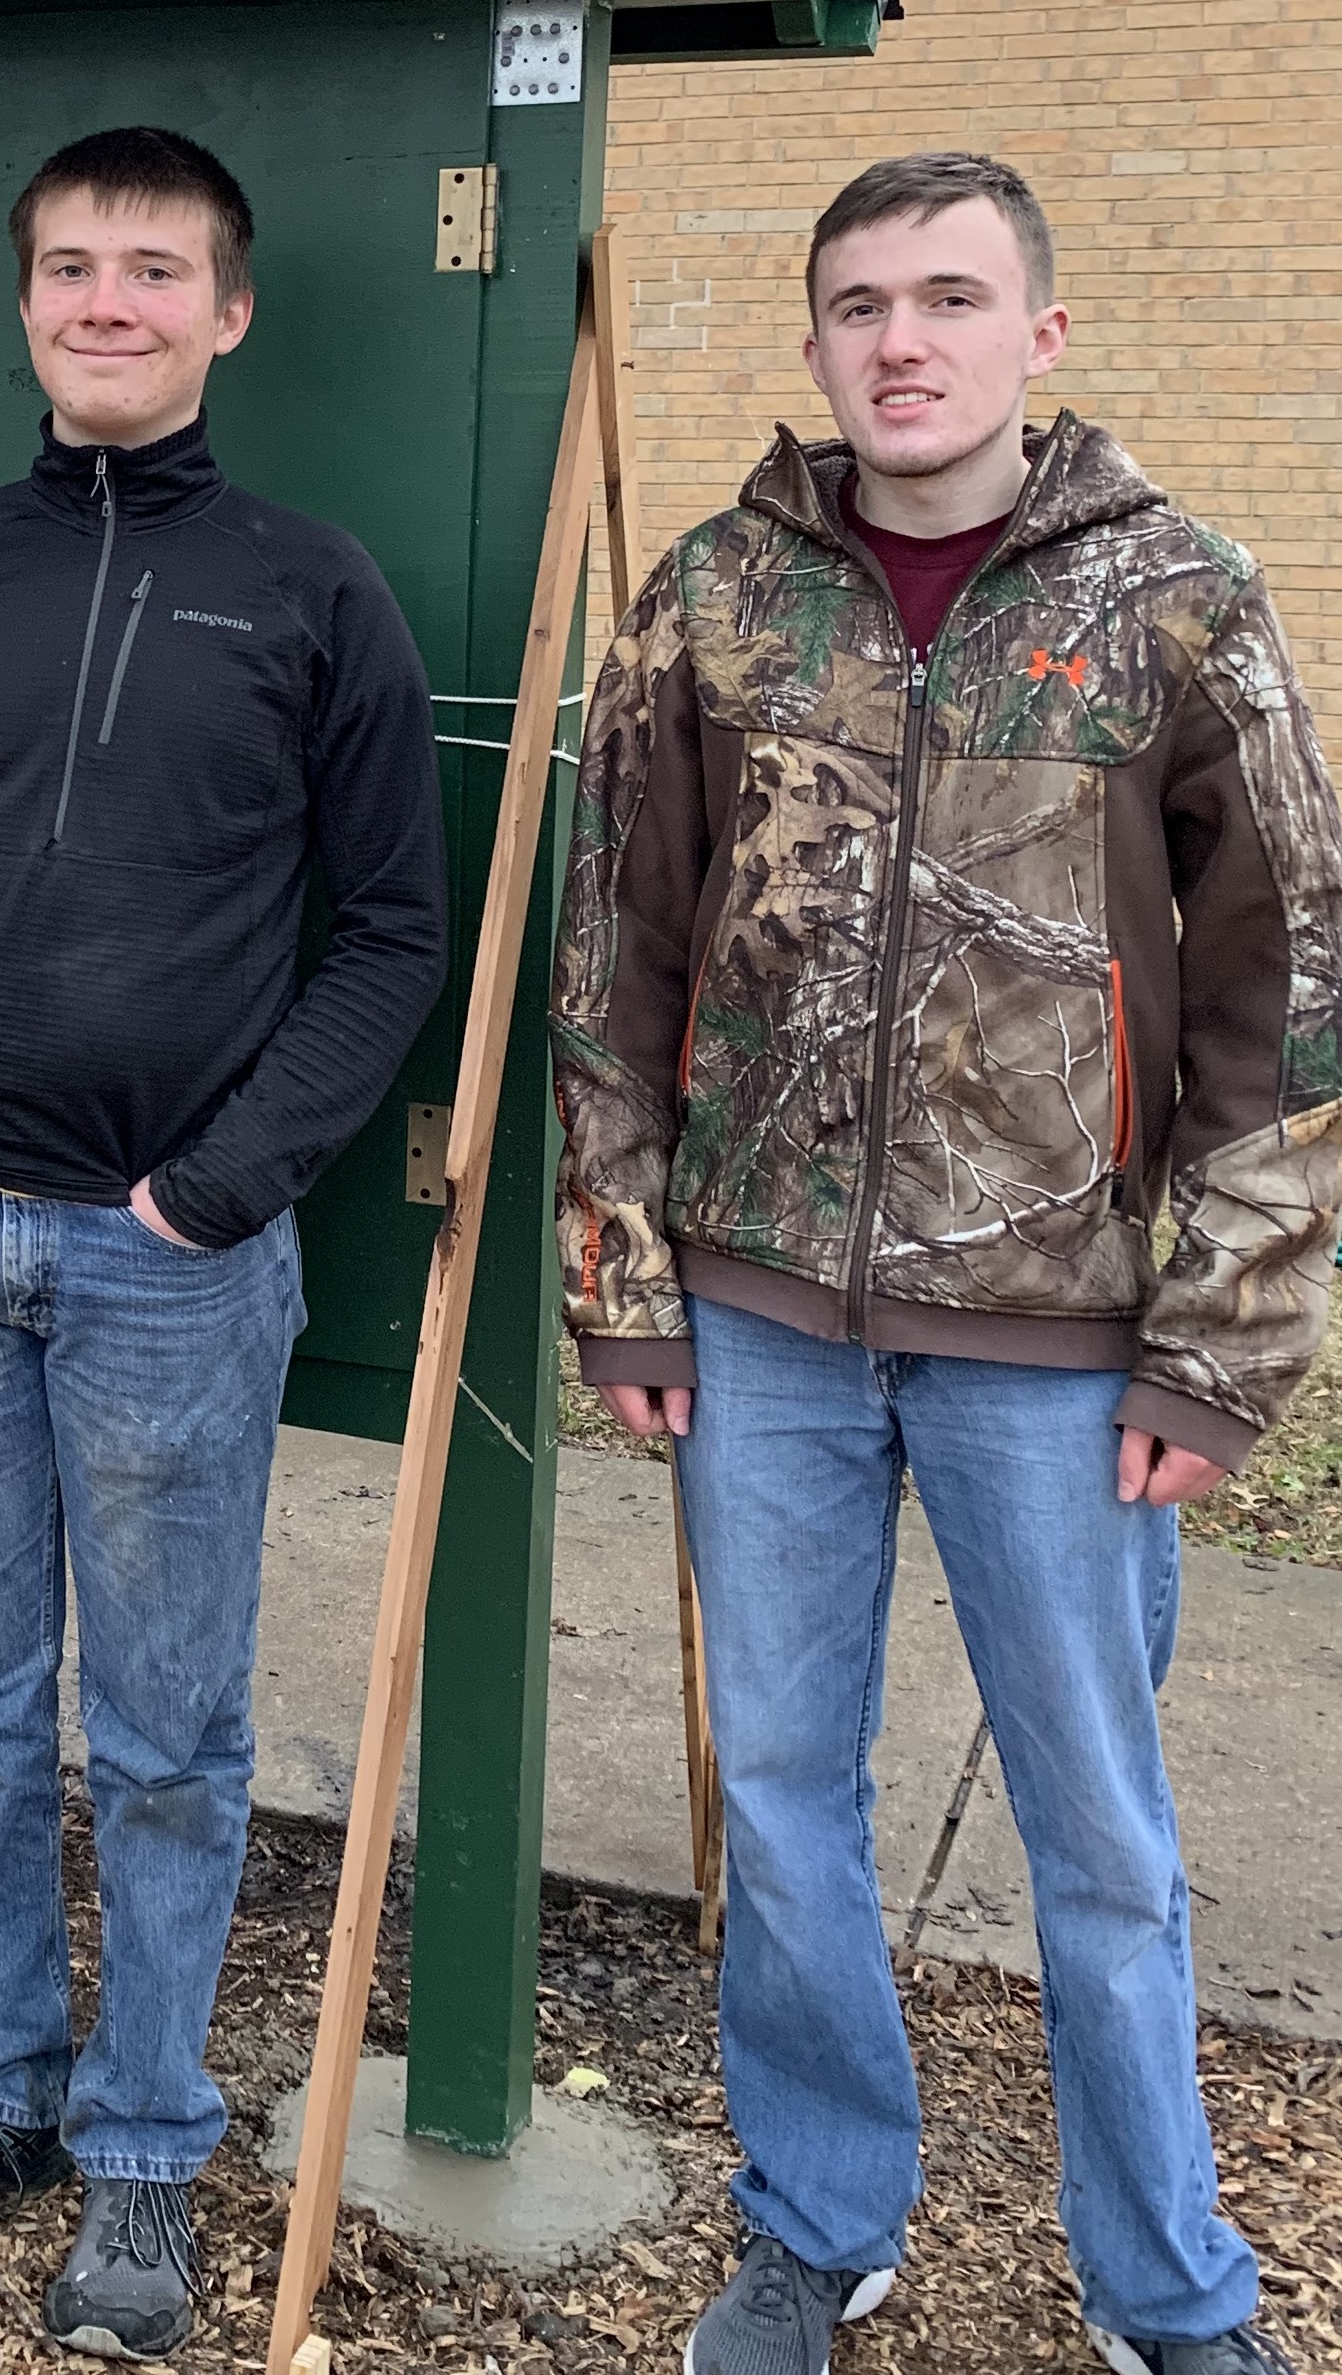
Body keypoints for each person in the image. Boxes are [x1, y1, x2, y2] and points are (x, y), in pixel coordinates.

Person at [554, 151, 1332, 2375]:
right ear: (811, 342)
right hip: (762, 1330)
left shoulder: (1175, 601)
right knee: (786, 1803)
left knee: (1096, 1843)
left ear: (1035, 335)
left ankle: (1164, 2287)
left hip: (1056, 1347)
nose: (900, 339)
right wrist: (623, 1275)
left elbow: (1289, 994)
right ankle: (817, 2221)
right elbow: (609, 959)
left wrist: (1215, 1344)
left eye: (947, 297)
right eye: (857, 302)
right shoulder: (713, 600)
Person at [0, 127, 448, 2360]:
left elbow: (389, 935)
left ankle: (148, 2145)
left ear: (226, 312)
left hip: (169, 1262)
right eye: (66, 265)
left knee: (163, 1732)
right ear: (24, 301)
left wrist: (218, 1186)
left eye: (152, 269)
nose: (104, 301)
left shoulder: (314, 584)